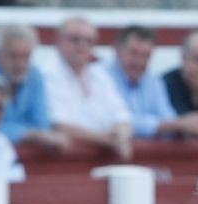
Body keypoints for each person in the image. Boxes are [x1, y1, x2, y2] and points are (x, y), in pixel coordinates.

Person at [41, 17, 133, 159]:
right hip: (66, 161)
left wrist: (121, 135)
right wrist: (106, 139)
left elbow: (122, 117)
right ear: (58, 41)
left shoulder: (99, 73)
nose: (82, 46)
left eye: (89, 41)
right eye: (75, 40)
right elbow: (59, 125)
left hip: (102, 157)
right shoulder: (47, 74)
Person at [0, 24, 68, 152]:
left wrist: (30, 134)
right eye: (13, 56)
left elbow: (42, 125)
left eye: (26, 56)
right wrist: (29, 134)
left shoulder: (35, 75)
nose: (20, 63)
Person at [107, 25, 198, 139]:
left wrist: (186, 126)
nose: (139, 61)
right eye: (133, 53)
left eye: (145, 56)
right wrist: (174, 125)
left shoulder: (153, 81)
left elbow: (168, 118)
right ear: (117, 50)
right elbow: (114, 121)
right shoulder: (101, 77)